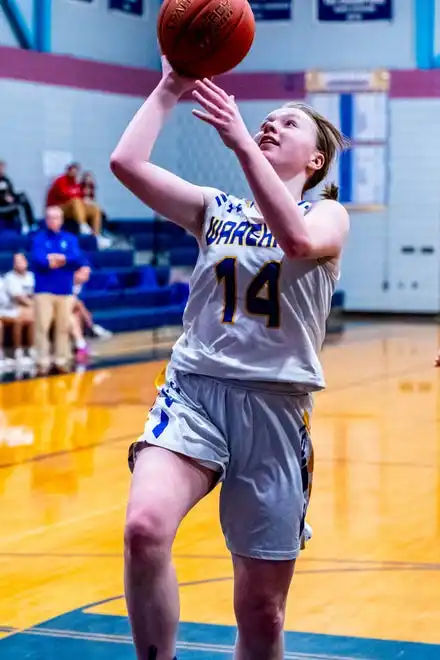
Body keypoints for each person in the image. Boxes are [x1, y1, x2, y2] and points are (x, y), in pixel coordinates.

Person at [110, 55, 349, 660]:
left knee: (262, 613)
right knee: (143, 530)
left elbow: (296, 243)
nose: (270, 125)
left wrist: (242, 142)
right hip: (194, 393)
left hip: (273, 410)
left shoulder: (326, 214)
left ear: (316, 160)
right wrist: (170, 88)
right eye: (264, 120)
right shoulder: (215, 208)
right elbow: (126, 164)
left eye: (287, 124)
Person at [30, 206, 89, 375]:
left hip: (64, 290)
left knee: (63, 327)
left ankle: (62, 360)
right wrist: (62, 259)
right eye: (49, 217)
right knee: (42, 327)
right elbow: (40, 260)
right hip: (43, 290)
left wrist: (56, 259)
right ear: (46, 219)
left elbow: (75, 257)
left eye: (56, 217)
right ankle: (42, 362)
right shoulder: (39, 238)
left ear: (61, 220)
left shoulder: (70, 238)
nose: (53, 221)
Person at [46, 163, 102, 236]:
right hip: (58, 208)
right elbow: (65, 196)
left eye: (75, 171)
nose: (74, 172)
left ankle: (96, 235)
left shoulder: (75, 183)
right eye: (72, 170)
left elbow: (81, 196)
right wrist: (78, 197)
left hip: (73, 209)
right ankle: (83, 225)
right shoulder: (61, 181)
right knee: (75, 201)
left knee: (95, 209)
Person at [2, 253, 35, 365]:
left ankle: (31, 350)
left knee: (32, 317)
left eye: (21, 261)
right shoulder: (9, 277)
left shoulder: (31, 276)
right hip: (11, 308)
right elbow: (19, 298)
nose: (19, 263)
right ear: (13, 264)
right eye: (17, 261)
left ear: (26, 262)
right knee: (21, 317)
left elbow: (36, 294)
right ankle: (18, 352)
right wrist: (35, 306)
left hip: (27, 308)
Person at [0, 160, 35, 233]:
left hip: (8, 202)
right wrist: (3, 198)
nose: (2, 170)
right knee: (19, 207)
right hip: (1, 205)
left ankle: (31, 223)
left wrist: (11, 197)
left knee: (23, 197)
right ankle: (25, 227)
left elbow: (11, 192)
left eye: (3, 168)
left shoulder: (6, 179)